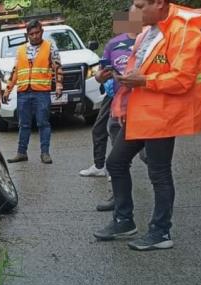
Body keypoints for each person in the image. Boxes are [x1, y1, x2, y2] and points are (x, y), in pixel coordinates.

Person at [93, 0, 201, 250]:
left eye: (139, 5)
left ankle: (161, 232)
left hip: (162, 117)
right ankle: (124, 221)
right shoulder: (149, 32)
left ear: (158, 3)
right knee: (115, 162)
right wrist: (121, 81)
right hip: (140, 115)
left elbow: (183, 79)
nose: (134, 12)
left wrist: (145, 80)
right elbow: (137, 70)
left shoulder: (185, 32)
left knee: (158, 172)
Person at [80, 10, 142, 178]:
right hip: (114, 96)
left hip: (142, 99)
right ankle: (105, 167)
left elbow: (162, 67)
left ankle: (153, 169)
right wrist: (101, 76)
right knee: (102, 129)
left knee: (145, 144)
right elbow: (100, 74)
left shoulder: (151, 41)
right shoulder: (113, 44)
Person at [2, 20, 63, 164]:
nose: (35, 36)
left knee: (43, 123)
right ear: (27, 35)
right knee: (23, 124)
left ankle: (45, 153)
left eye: (37, 33)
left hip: (41, 92)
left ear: (42, 32)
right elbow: (15, 71)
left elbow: (58, 67)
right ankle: (21, 153)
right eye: (31, 34)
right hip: (23, 92)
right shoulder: (21, 49)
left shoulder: (50, 47)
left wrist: (59, 84)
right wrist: (8, 90)